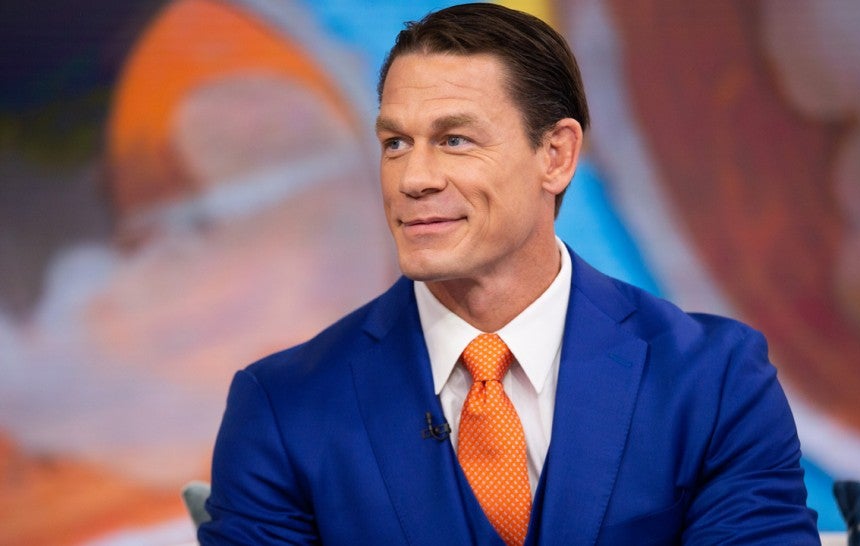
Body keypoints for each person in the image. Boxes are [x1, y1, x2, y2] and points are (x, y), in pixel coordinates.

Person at [199, 3, 820, 544]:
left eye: (455, 140)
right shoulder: (283, 408)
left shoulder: (712, 379)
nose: (413, 179)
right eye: (395, 143)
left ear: (556, 155)